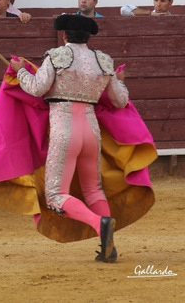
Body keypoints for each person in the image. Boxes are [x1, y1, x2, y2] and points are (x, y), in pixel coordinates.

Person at [10, 14, 129, 262]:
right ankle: (110, 247)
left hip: (65, 129)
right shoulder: (104, 61)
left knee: (55, 195)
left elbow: (36, 88)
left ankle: (100, 223)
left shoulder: (57, 56)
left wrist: (21, 72)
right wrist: (120, 82)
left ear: (64, 35)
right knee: (94, 190)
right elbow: (120, 101)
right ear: (87, 37)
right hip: (91, 131)